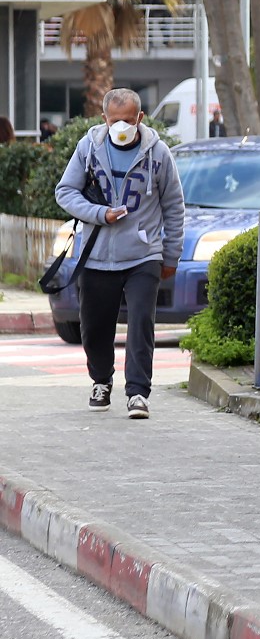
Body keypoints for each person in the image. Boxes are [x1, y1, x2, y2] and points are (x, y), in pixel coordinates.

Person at [54, 88, 185, 419]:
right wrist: (100, 214)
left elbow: (173, 205)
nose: (122, 126)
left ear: (140, 118)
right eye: (115, 120)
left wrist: (171, 254)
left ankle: (138, 392)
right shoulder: (89, 148)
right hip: (97, 255)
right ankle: (101, 381)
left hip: (143, 255)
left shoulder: (158, 154)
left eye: (128, 120)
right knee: (94, 326)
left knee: (141, 321)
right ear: (104, 120)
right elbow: (65, 192)